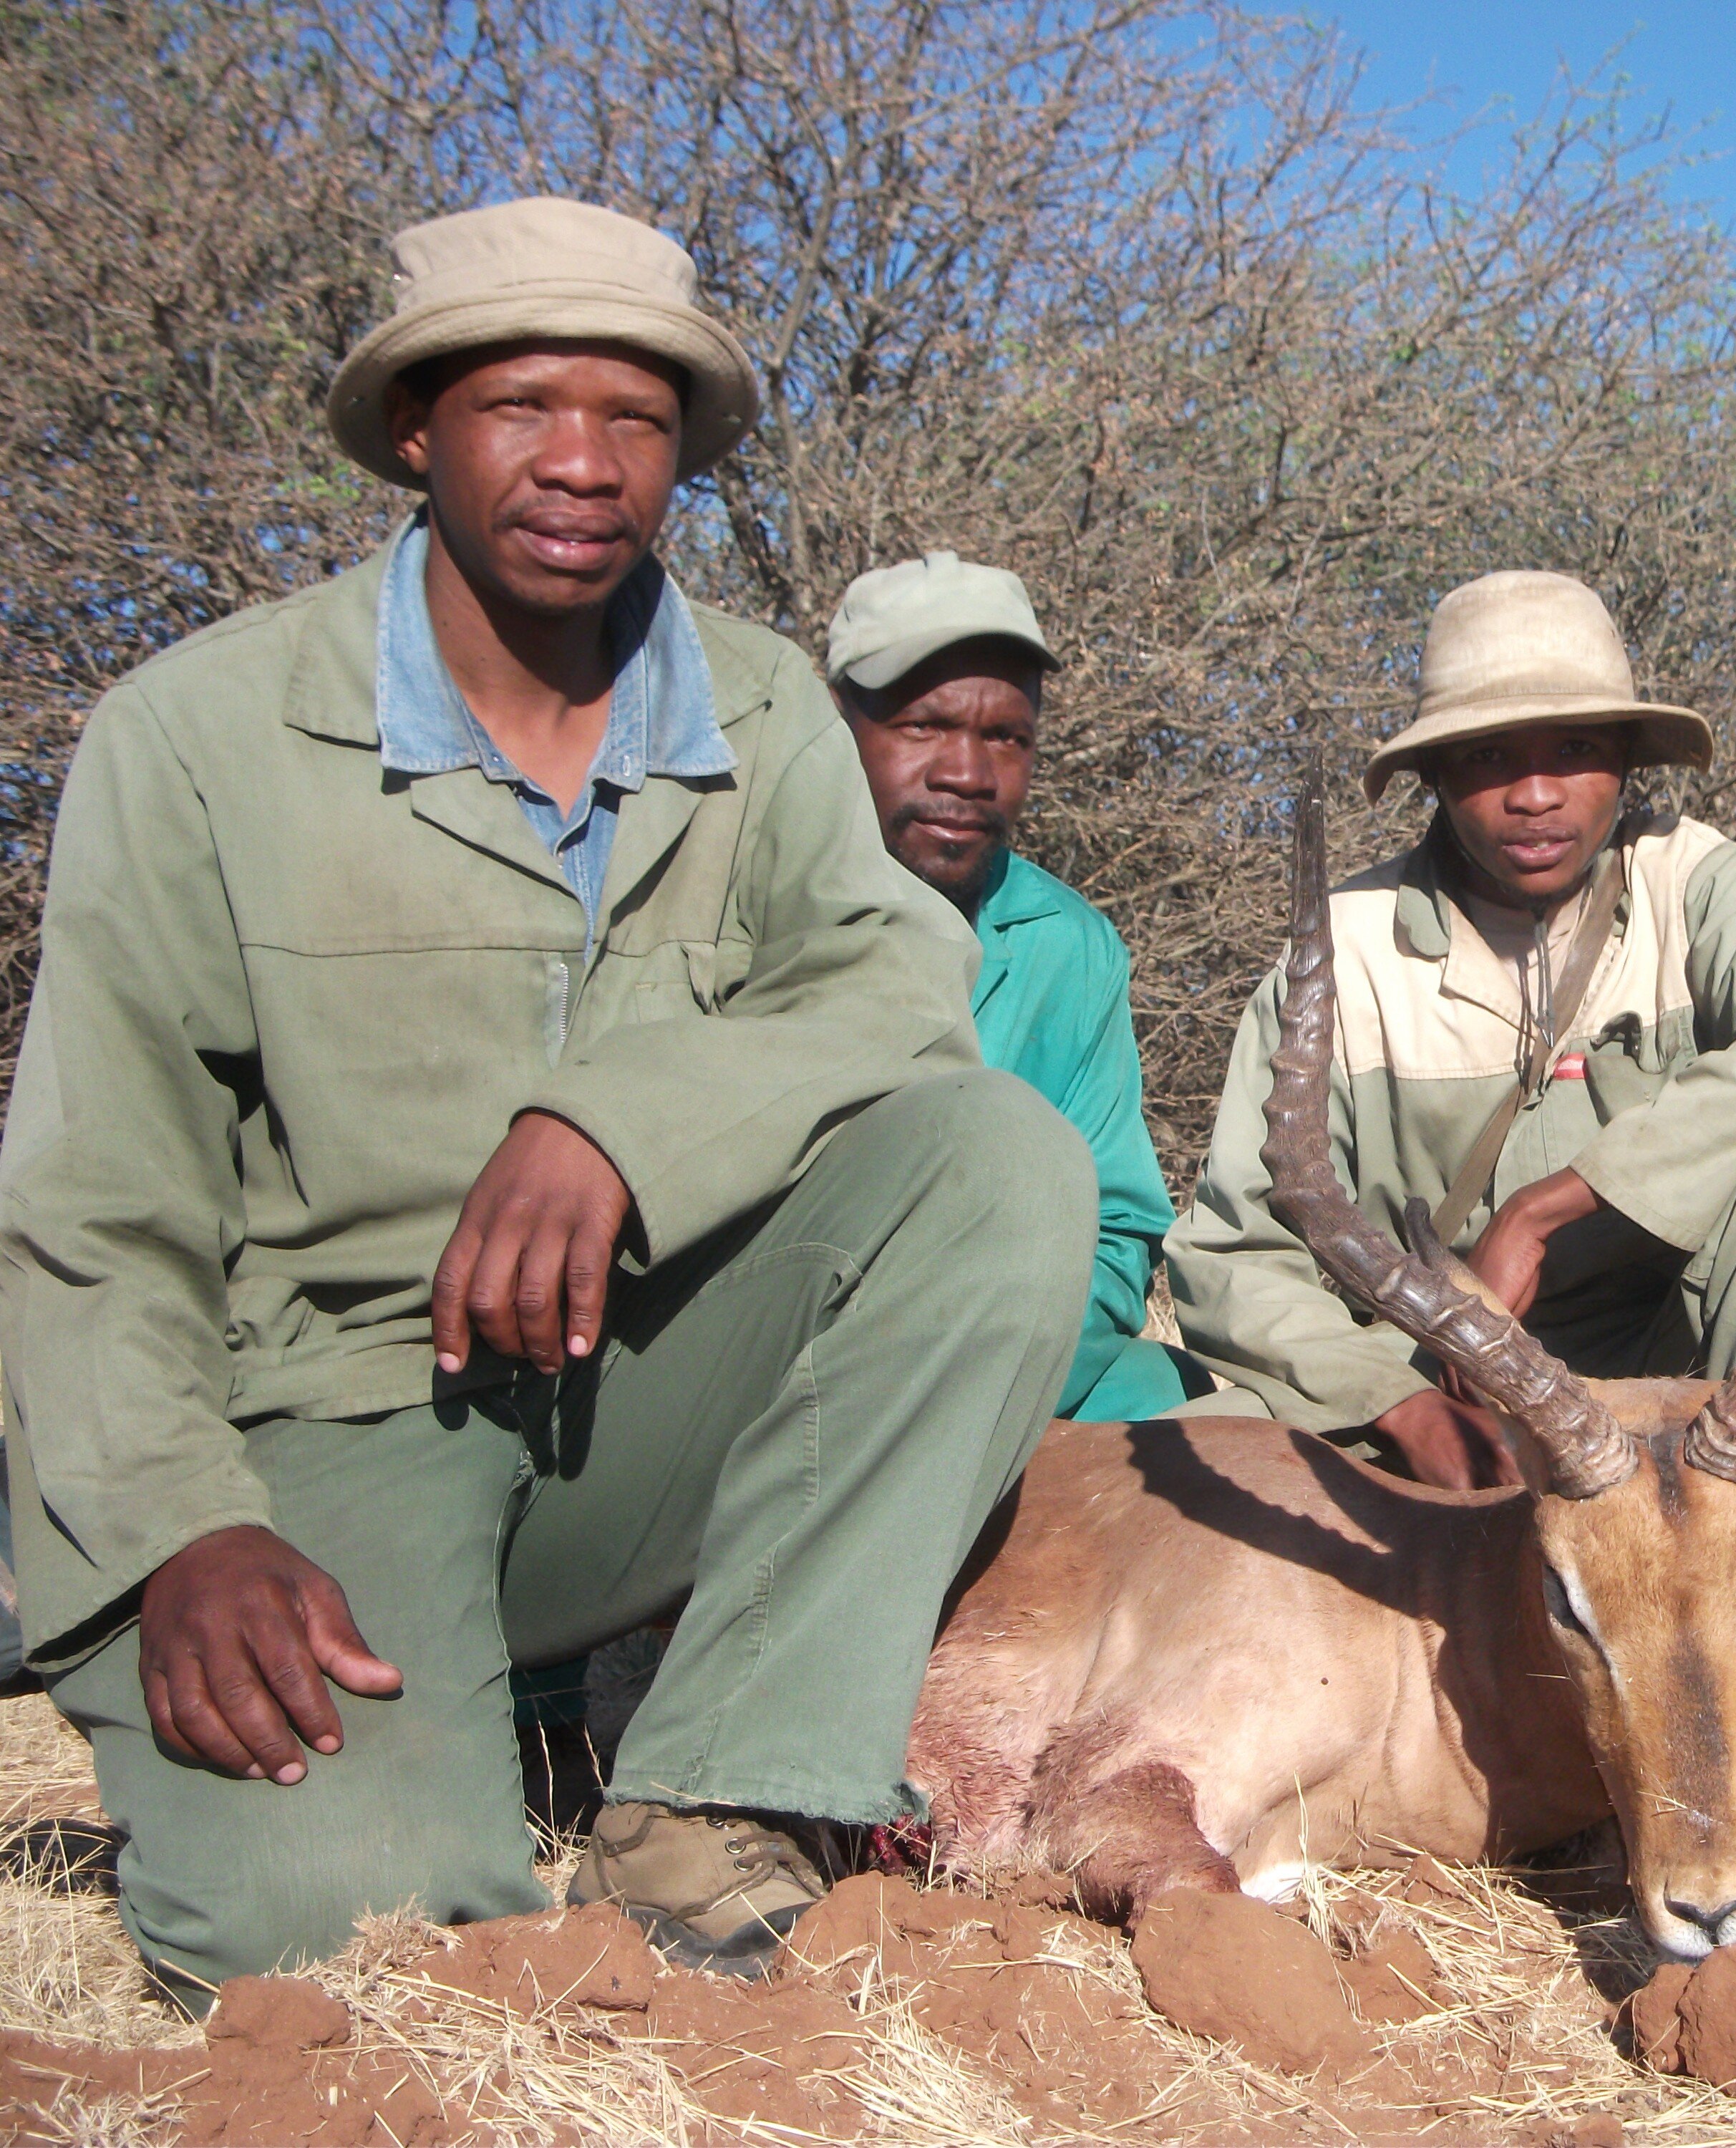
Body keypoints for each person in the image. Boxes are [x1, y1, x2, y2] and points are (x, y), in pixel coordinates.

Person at [0, 198, 1093, 2003]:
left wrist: (614, 1127)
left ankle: (721, 1789)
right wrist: (176, 1523)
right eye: (522, 406)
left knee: (996, 1164)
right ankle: (367, 1747)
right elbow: (98, 1203)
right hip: (321, 1432)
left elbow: (894, 981)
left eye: (636, 419)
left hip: (631, 1408)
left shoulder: (762, 710)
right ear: (415, 429)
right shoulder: (191, 734)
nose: (583, 462)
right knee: (344, 1946)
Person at [1166, 570, 1736, 1794]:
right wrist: (1399, 1400)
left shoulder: (1696, 881)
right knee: (1194, 1469)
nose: (1533, 793)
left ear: (1628, 763)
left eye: (1574, 749)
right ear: (1432, 779)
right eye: (1487, 757)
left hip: (1683, 1400)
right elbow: (1232, 1257)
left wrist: (1552, 1208)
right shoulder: (1341, 950)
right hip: (1435, 1408)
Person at [825, 553, 1191, 1421]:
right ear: (835, 723)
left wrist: (983, 1359)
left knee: (1197, 1414)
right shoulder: (735, 904)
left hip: (995, 1363)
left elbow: (1116, 1233)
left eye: (1007, 738)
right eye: (922, 726)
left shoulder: (1069, 946)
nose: (967, 773)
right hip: (776, 1362)